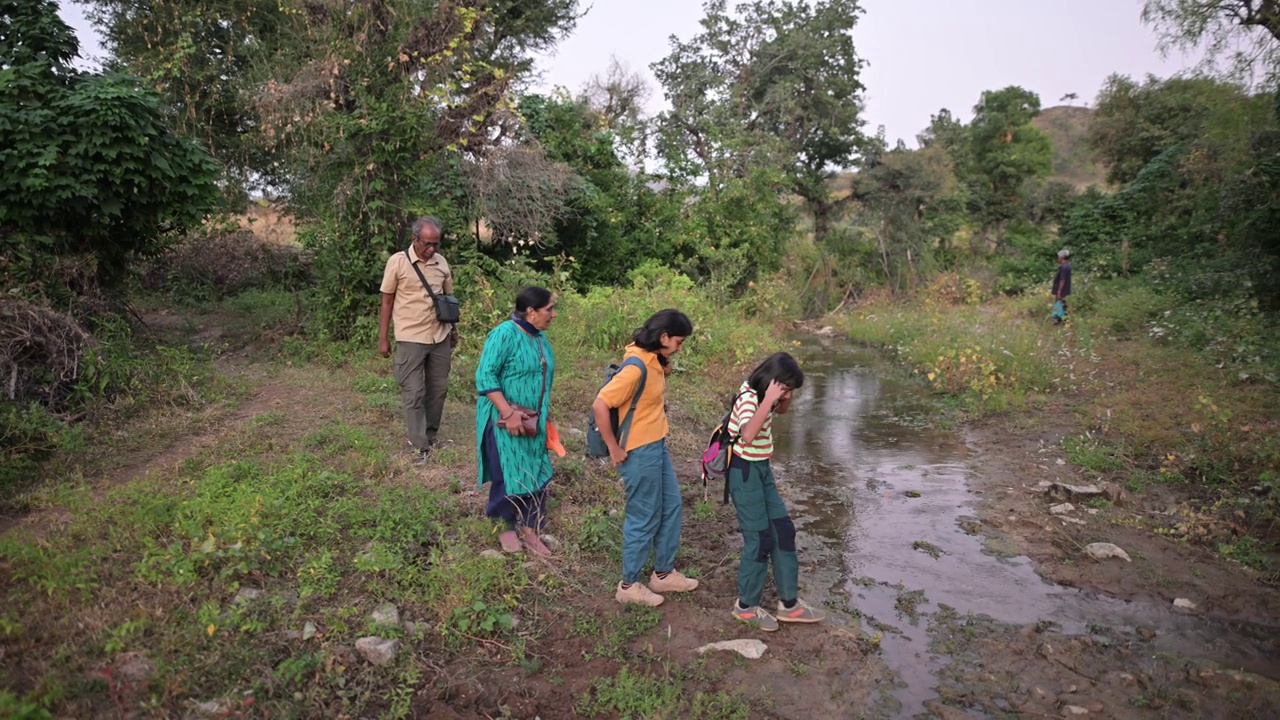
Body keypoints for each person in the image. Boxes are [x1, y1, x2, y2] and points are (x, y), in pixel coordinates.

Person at [592, 309, 698, 606]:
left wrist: (663, 366)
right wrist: (613, 448)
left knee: (672, 506)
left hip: (656, 446)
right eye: (678, 341)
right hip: (638, 450)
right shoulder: (636, 367)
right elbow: (600, 404)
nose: (680, 347)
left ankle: (663, 574)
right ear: (663, 337)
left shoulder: (651, 361)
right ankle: (628, 585)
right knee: (644, 515)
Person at [726, 352, 825, 631]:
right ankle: (745, 607)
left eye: (791, 390)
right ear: (773, 381)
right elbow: (747, 434)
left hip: (761, 469)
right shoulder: (749, 397)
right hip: (744, 472)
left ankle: (789, 605)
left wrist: (782, 399)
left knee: (783, 530)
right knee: (759, 538)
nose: (788, 394)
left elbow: (778, 412)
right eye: (787, 387)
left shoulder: (767, 395)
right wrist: (769, 399)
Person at [475, 287, 558, 555]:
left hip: (533, 418)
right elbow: (485, 377)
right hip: (505, 418)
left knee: (535, 468)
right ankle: (505, 526)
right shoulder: (504, 334)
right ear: (531, 312)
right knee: (507, 470)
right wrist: (508, 414)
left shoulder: (538, 337)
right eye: (549, 309)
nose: (553, 314)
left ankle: (531, 529)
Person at [378, 216, 458, 464]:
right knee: (414, 392)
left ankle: (431, 435)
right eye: (427, 244)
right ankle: (419, 445)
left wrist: (453, 329)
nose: (432, 249)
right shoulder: (398, 262)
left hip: (439, 335)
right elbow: (387, 300)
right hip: (411, 336)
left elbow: (448, 298)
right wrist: (383, 338)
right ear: (415, 239)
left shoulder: (441, 263)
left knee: (438, 390)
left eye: (436, 244)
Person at [1052, 248, 1072, 323]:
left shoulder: (1064, 267)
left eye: (1058, 257)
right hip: (1064, 289)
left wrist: (1059, 291)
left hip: (1062, 289)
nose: (1058, 258)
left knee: (1060, 304)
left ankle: (1061, 319)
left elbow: (1062, 279)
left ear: (1061, 257)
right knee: (1061, 304)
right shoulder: (1067, 266)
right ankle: (1060, 319)